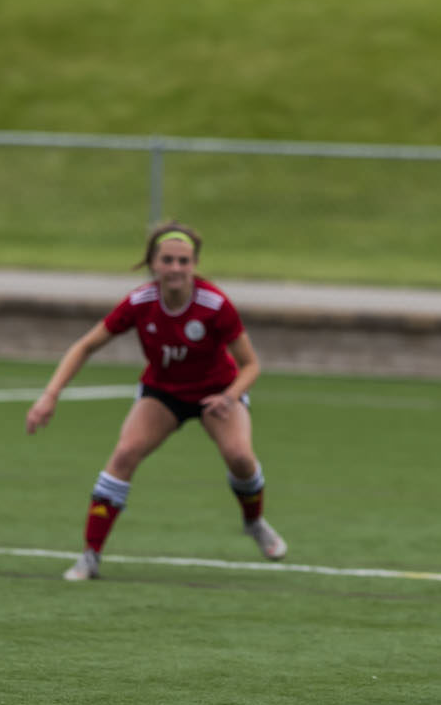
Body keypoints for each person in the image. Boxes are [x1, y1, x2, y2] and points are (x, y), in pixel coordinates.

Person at [26, 221, 285, 580]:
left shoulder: (214, 304)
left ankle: (254, 522)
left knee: (240, 457)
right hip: (163, 393)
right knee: (124, 454)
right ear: (153, 263)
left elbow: (251, 365)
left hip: (217, 393)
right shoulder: (140, 302)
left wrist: (230, 396)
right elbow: (85, 346)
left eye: (184, 261)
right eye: (168, 260)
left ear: (194, 264)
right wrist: (49, 395)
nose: (176, 268)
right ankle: (90, 556)